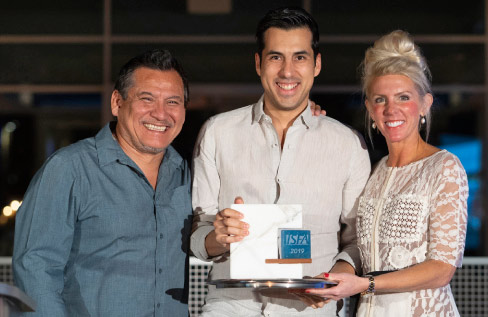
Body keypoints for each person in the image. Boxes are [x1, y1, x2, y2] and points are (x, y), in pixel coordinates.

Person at [190, 7, 371, 316]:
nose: (287, 71)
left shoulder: (348, 144)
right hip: (232, 307)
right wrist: (217, 238)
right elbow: (198, 233)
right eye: (276, 57)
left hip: (313, 309)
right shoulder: (218, 133)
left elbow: (357, 240)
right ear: (259, 63)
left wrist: (334, 277)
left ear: (317, 64)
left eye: (299, 57)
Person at [13, 49, 192, 316]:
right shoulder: (69, 169)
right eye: (147, 99)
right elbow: (35, 268)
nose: (161, 114)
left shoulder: (184, 175)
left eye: (173, 102)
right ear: (117, 103)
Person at [305, 30, 469, 316]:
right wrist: (334, 279)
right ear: (369, 108)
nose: (391, 110)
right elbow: (361, 248)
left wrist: (363, 285)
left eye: (403, 97)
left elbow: (442, 269)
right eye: (380, 100)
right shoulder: (375, 172)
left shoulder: (444, 167)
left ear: (425, 104)